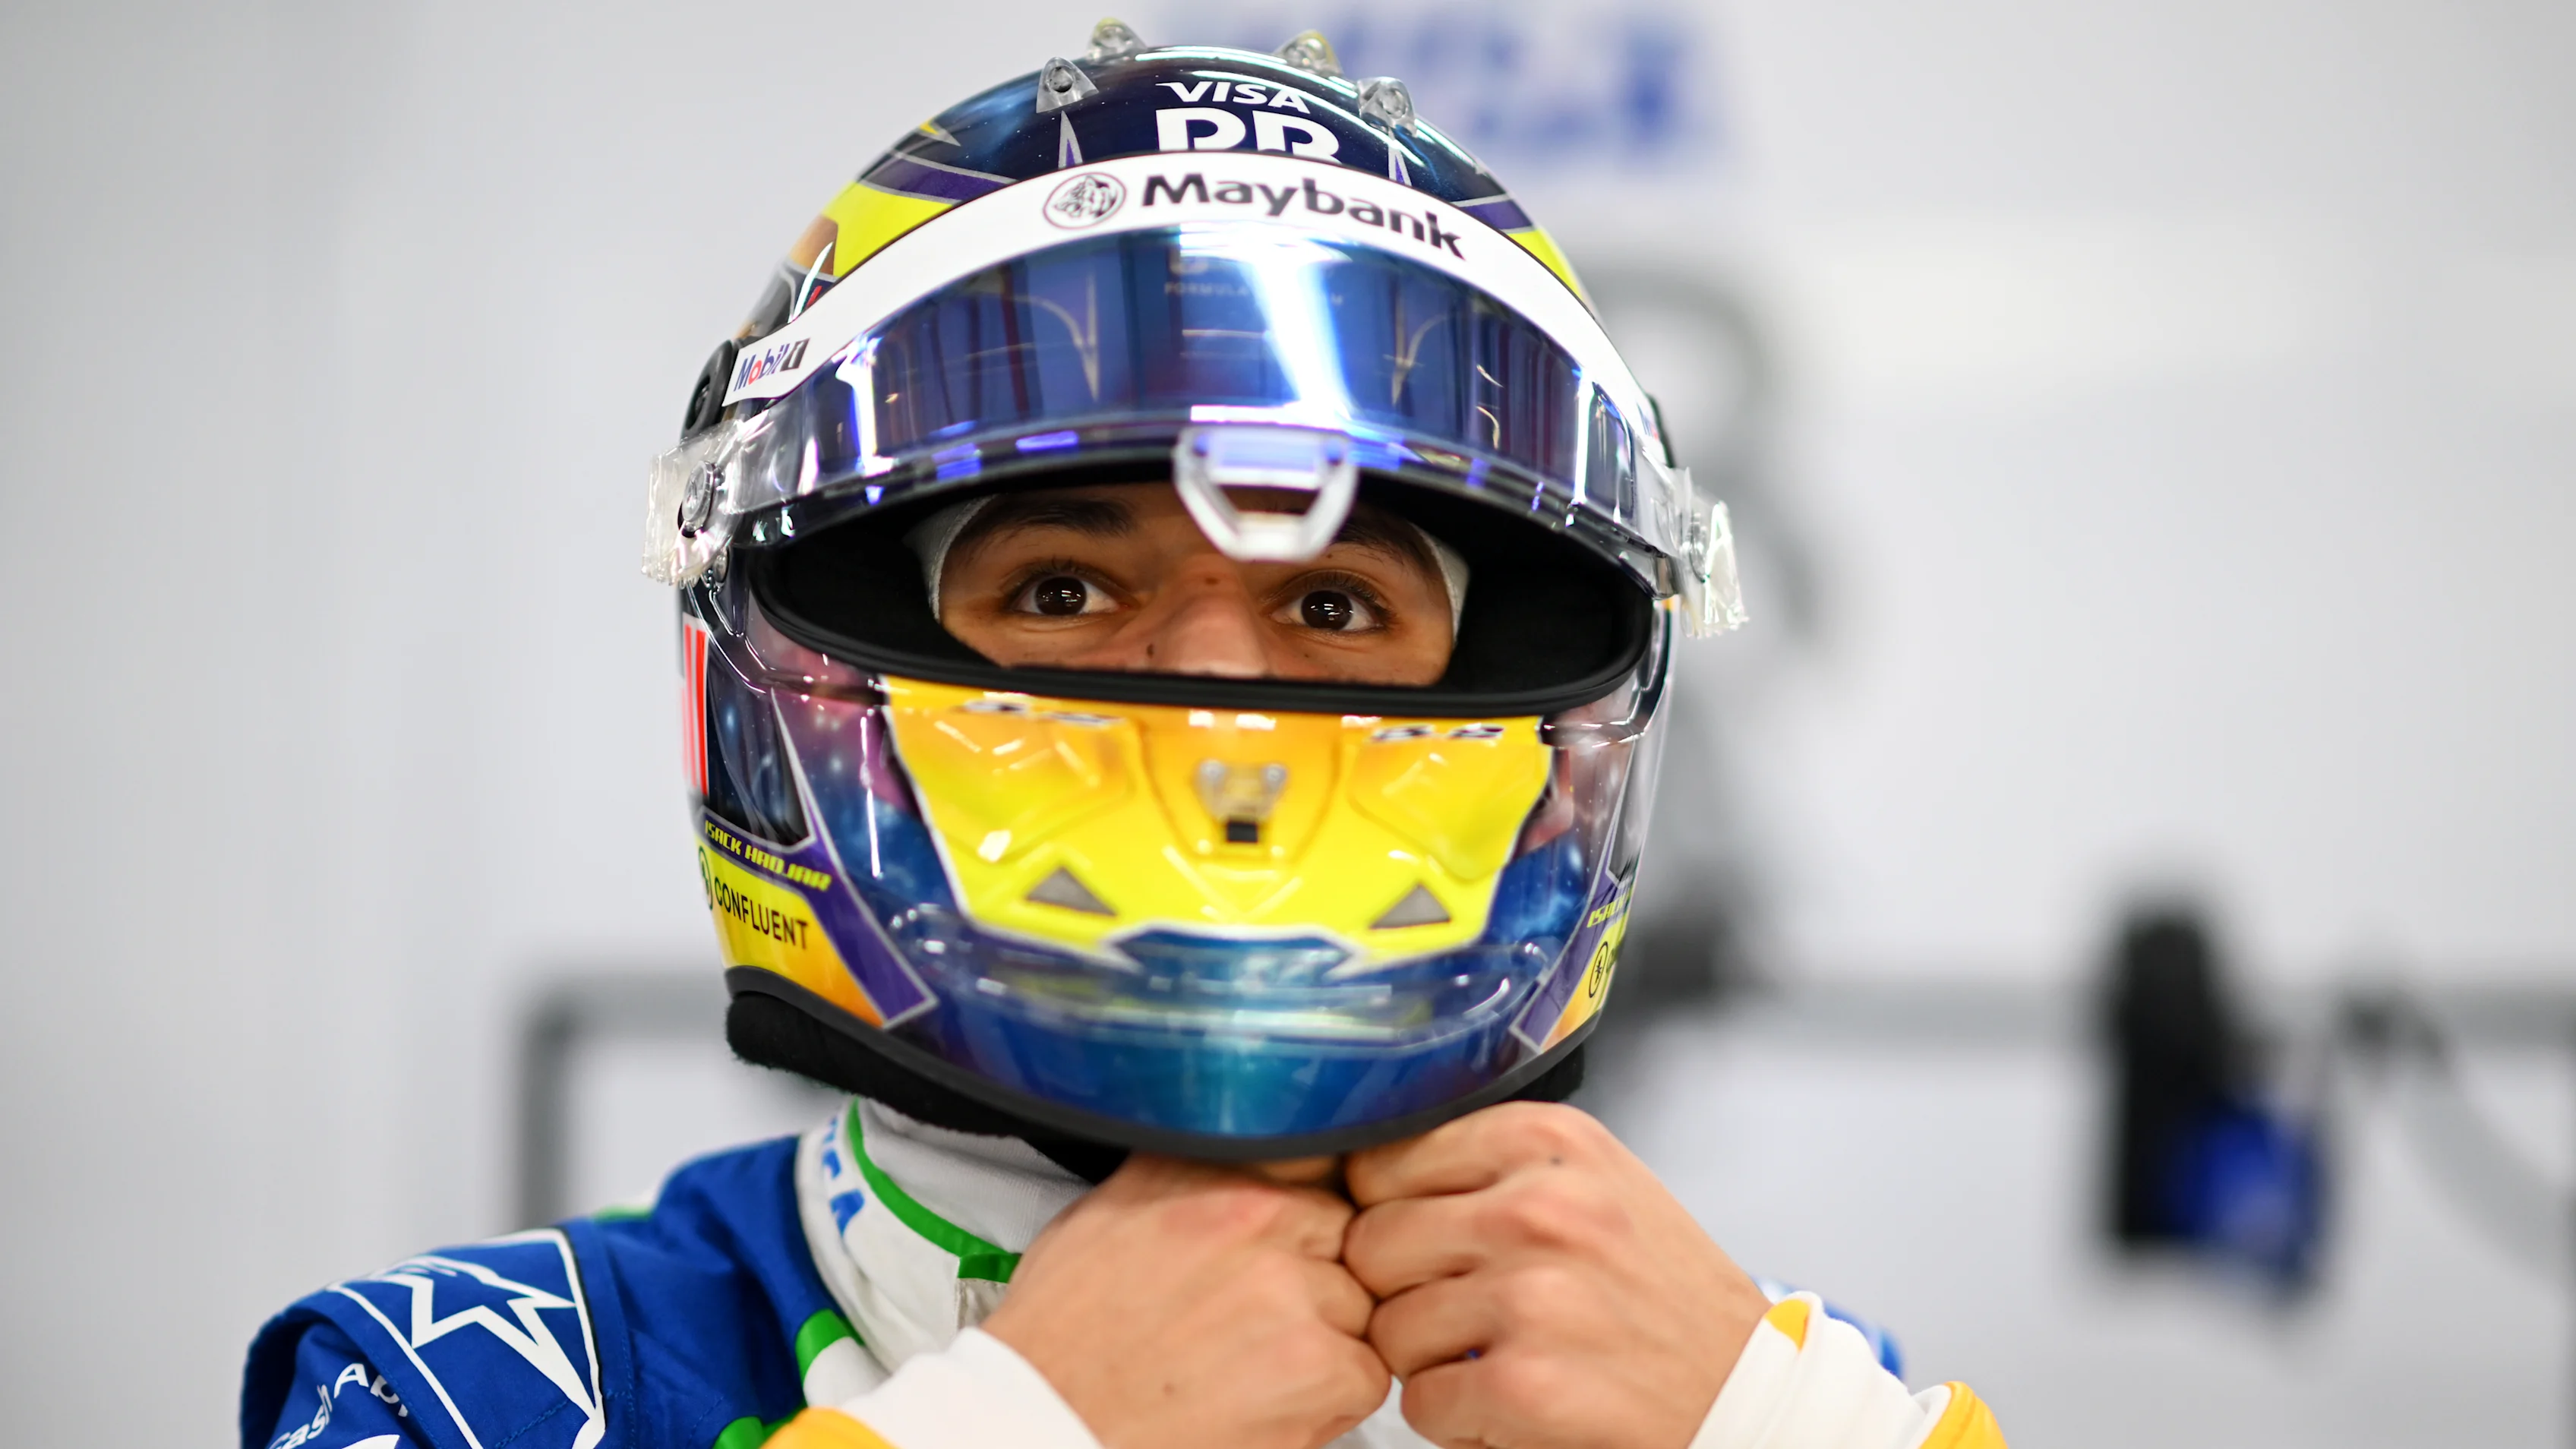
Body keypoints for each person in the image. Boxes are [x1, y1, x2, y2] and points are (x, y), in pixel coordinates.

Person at [242, 27, 2003, 1449]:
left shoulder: (1727, 1392)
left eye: (1332, 611)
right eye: (1069, 591)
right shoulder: (479, 1387)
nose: (1221, 714)